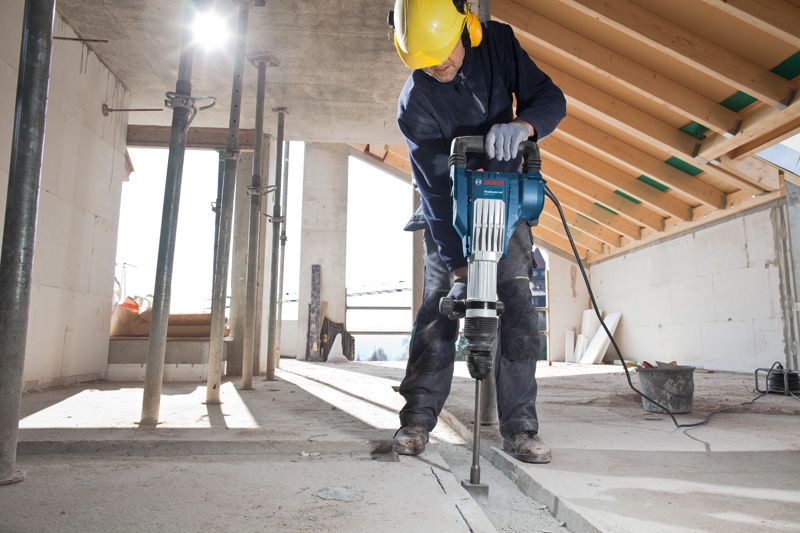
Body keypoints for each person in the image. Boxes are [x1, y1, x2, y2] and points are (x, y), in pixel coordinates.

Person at [390, 0, 566, 463]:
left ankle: (521, 428)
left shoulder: (497, 44)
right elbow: (434, 190)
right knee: (439, 308)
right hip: (449, 209)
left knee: (519, 309)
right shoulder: (415, 104)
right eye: (426, 62)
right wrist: (460, 267)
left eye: (445, 52)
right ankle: (417, 419)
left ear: (464, 28)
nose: (439, 66)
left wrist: (524, 125)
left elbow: (550, 98)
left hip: (508, 201)